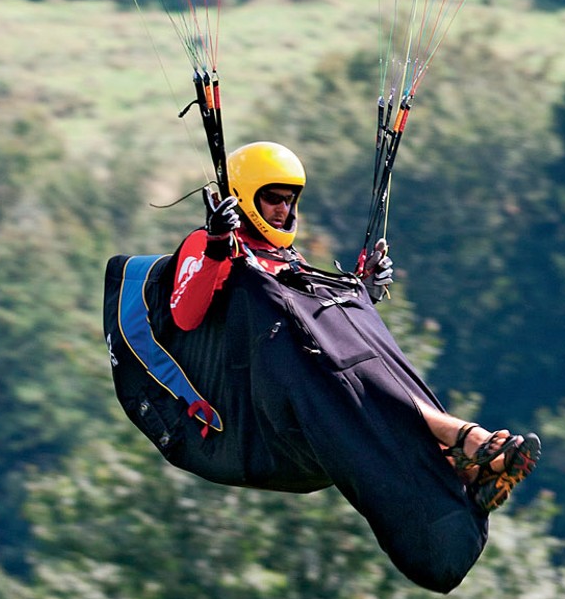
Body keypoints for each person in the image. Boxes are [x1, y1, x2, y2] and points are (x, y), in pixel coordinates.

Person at [169, 141, 541, 514]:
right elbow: (185, 315)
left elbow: (311, 311)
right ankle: (468, 440)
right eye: (273, 199)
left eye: (290, 199)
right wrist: (217, 246)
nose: (284, 209)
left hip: (307, 378)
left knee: (375, 375)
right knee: (365, 384)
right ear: (245, 197)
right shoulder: (207, 243)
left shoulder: (287, 257)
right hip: (255, 390)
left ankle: (462, 470)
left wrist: (363, 291)